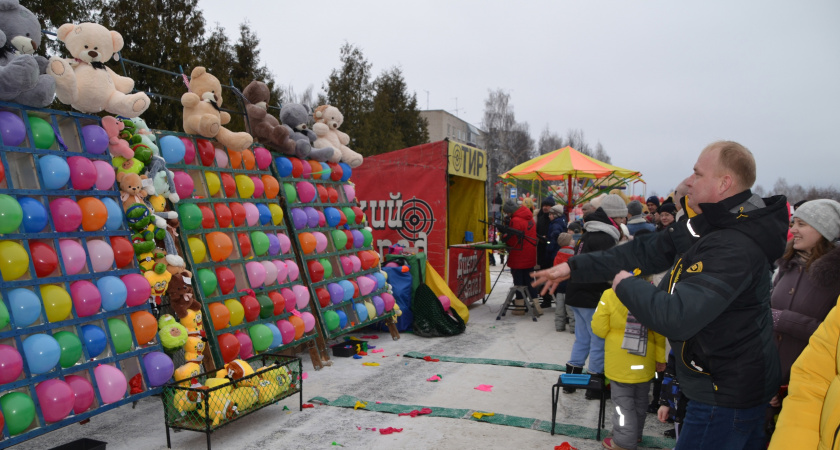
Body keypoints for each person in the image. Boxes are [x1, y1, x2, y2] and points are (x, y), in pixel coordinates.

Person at [533, 141, 789, 449]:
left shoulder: (733, 243)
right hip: (723, 382)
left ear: (724, 183)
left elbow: (677, 317)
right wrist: (575, 267)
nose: (689, 181)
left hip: (726, 393)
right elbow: (648, 249)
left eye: (697, 173)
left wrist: (625, 283)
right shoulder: (715, 223)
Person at [767, 199, 840, 434]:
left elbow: (832, 335)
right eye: (793, 223)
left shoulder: (835, 277)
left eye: (801, 224)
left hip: (809, 391)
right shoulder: (786, 267)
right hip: (770, 385)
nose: (793, 230)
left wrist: (783, 320)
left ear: (823, 230)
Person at [593, 288, 667, 450]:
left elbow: (599, 328)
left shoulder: (610, 294)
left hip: (620, 360)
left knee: (622, 405)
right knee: (640, 401)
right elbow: (659, 331)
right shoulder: (652, 293)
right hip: (645, 359)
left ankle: (623, 441)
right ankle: (635, 434)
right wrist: (661, 359)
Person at [562, 206, 620, 398]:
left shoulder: (586, 237)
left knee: (582, 337)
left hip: (576, 293)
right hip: (592, 294)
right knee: (598, 339)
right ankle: (595, 384)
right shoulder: (605, 239)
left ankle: (571, 379)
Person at [768, 295, 840, 449]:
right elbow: (816, 380)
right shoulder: (786, 271)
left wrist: (782, 319)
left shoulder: (831, 278)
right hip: (782, 382)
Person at [501, 198, 539, 315]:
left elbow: (513, 241)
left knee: (518, 283)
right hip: (530, 254)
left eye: (507, 212)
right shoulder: (530, 218)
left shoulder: (516, 220)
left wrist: (504, 238)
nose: (507, 215)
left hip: (519, 255)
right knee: (530, 280)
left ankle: (520, 308)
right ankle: (537, 307)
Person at [552, 232, 575, 332]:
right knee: (571, 309)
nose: (574, 240)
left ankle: (559, 326)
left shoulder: (557, 254)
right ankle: (573, 328)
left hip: (559, 285)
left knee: (559, 308)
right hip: (570, 285)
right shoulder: (573, 254)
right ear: (569, 242)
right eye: (572, 239)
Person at [536, 196, 556, 306]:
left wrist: (547, 238)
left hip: (550, 250)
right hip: (542, 250)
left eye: (547, 206)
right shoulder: (540, 217)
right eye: (544, 205)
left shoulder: (554, 219)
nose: (545, 207)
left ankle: (551, 297)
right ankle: (546, 298)